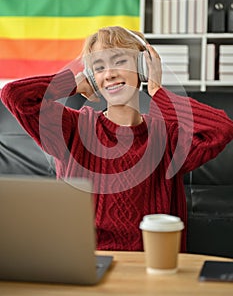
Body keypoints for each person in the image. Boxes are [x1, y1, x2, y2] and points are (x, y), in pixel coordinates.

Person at [1, 26, 233, 252]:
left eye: (120, 61)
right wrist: (71, 83)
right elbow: (14, 95)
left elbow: (221, 129)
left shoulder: (168, 137)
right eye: (99, 67)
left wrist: (157, 92)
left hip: (147, 265)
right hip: (82, 260)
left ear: (142, 67)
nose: (109, 73)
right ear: (92, 77)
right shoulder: (72, 128)